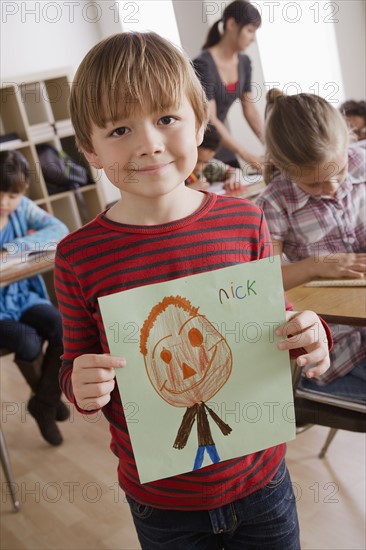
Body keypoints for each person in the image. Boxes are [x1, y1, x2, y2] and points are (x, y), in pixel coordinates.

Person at [54, 32, 331, 549]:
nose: (149, 144)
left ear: (200, 123)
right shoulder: (77, 257)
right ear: (90, 150)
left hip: (262, 482)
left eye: (166, 119)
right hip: (162, 500)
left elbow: (275, 316)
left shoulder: (244, 221)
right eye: (119, 128)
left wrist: (310, 334)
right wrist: (82, 387)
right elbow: (74, 364)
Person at [257, 89, 366, 402]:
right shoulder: (275, 202)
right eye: (315, 184)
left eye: (341, 172)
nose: (332, 188)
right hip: (338, 345)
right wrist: (319, 265)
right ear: (283, 167)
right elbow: (265, 282)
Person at [0, 150, 69, 445]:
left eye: (12, 195)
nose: (4, 202)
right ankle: (48, 400)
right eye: (0, 193)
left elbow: (58, 229)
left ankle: (44, 401)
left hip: (22, 295)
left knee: (62, 326)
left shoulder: (21, 208)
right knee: (27, 339)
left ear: (23, 191)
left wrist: (14, 248)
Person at [193, 0, 264, 170]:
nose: (253, 38)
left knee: (237, 181)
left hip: (221, 140)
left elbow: (250, 108)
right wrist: (245, 153)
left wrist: (270, 144)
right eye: (249, 31)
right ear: (232, 24)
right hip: (202, 145)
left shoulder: (245, 62)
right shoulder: (203, 64)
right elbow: (211, 118)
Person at [185, 123, 245, 190]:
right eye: (197, 160)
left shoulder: (209, 166)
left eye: (205, 162)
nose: (199, 168)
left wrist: (234, 179)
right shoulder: (176, 170)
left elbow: (235, 171)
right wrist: (191, 189)